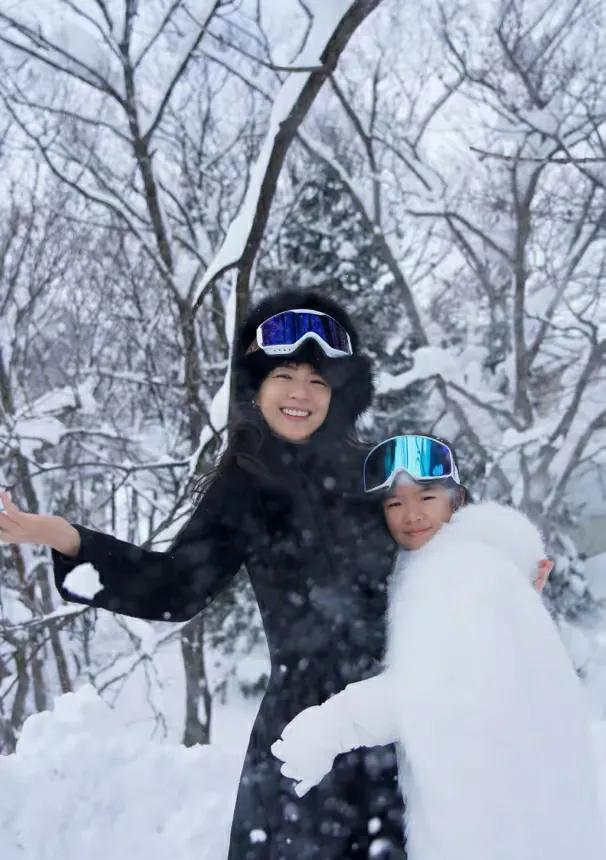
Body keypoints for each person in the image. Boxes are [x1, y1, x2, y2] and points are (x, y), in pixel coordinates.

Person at [0, 291, 405, 859]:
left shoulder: (383, 473)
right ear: (255, 387)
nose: (300, 393)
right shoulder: (246, 484)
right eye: (284, 376)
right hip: (301, 729)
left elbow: (443, 544)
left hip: (397, 715)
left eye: (317, 380)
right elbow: (176, 586)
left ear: (340, 392)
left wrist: (504, 574)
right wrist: (65, 538)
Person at [272, 434, 605, 860]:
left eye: (426, 497)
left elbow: (427, 690)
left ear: (456, 499)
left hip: (487, 821)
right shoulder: (467, 563)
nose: (411, 514)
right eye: (395, 503)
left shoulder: (457, 572)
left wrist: (331, 726)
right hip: (517, 809)